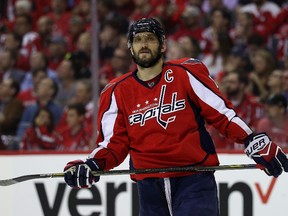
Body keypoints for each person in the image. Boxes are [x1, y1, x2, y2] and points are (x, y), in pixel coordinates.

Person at [63, 18, 288, 216]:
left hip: (194, 179)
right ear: (130, 48)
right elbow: (113, 144)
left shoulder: (186, 73)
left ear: (162, 45)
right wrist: (91, 164)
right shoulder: (115, 91)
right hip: (148, 186)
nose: (143, 44)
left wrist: (251, 139)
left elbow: (222, 115)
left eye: (150, 38)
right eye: (138, 39)